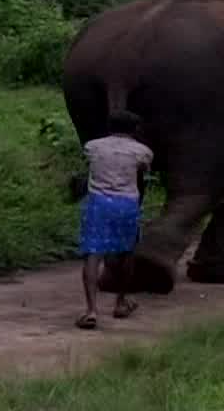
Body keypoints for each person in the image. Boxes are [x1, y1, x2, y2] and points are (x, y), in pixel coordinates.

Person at [76, 110, 153, 330]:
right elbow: (143, 174)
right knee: (127, 252)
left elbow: (88, 165)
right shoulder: (143, 151)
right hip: (127, 203)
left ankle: (91, 310)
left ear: (110, 127)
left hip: (98, 202)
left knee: (93, 254)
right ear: (135, 130)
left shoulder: (92, 146)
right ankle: (121, 302)